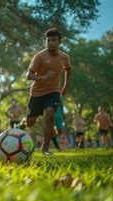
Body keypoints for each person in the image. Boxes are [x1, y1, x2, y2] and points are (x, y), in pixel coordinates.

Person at [20, 28, 71, 156]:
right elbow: (28, 75)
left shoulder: (64, 57)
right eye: (48, 40)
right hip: (37, 92)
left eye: (54, 40)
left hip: (53, 91)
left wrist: (65, 86)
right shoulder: (40, 56)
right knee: (30, 123)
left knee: (50, 115)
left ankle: (45, 147)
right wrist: (44, 77)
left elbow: (68, 70)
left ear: (59, 41)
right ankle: (22, 123)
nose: (50, 43)